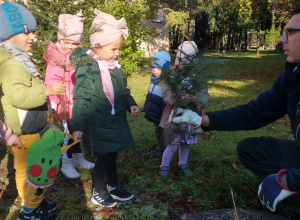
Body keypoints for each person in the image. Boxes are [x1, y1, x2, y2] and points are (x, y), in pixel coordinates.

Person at [169, 6, 300, 215]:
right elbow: (254, 112)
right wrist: (203, 119)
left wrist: (286, 181)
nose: (281, 40)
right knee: (250, 149)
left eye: (290, 32)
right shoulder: (293, 77)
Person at [0, 2, 66, 219]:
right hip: (24, 131)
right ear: (9, 33)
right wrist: (46, 91)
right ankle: (29, 210)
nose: (33, 37)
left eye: (34, 32)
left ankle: (31, 203)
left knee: (24, 170)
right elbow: (17, 96)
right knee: (40, 171)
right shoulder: (12, 64)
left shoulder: (18, 59)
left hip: (25, 130)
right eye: (27, 32)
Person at [71, 9, 139, 208]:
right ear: (97, 46)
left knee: (113, 153)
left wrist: (132, 104)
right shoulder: (88, 70)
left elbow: (123, 91)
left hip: (115, 120)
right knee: (104, 155)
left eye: (118, 49)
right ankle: (98, 189)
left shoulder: (115, 68)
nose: (117, 53)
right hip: (97, 123)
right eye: (113, 49)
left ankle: (113, 185)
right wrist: (79, 126)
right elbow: (81, 99)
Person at [44, 14, 95, 179]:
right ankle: (65, 162)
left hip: (75, 101)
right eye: (70, 43)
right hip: (62, 103)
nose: (73, 47)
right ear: (61, 40)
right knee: (66, 134)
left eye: (77, 44)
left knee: (77, 130)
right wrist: (52, 102)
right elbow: (51, 81)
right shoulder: (56, 58)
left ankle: (78, 158)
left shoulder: (76, 56)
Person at [159, 41, 209, 178]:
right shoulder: (172, 77)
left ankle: (183, 163)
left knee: (186, 142)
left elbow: (203, 93)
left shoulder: (196, 79)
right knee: (173, 142)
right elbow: (166, 93)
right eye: (183, 63)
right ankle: (164, 165)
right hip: (175, 116)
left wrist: (196, 99)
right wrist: (179, 98)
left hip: (189, 117)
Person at [142, 50, 170, 159]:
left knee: (165, 134)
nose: (154, 70)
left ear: (165, 68)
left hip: (163, 114)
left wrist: (164, 115)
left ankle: (165, 151)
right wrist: (147, 107)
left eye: (158, 68)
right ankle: (160, 147)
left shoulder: (166, 82)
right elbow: (150, 95)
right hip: (156, 112)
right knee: (158, 132)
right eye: (153, 67)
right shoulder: (153, 79)